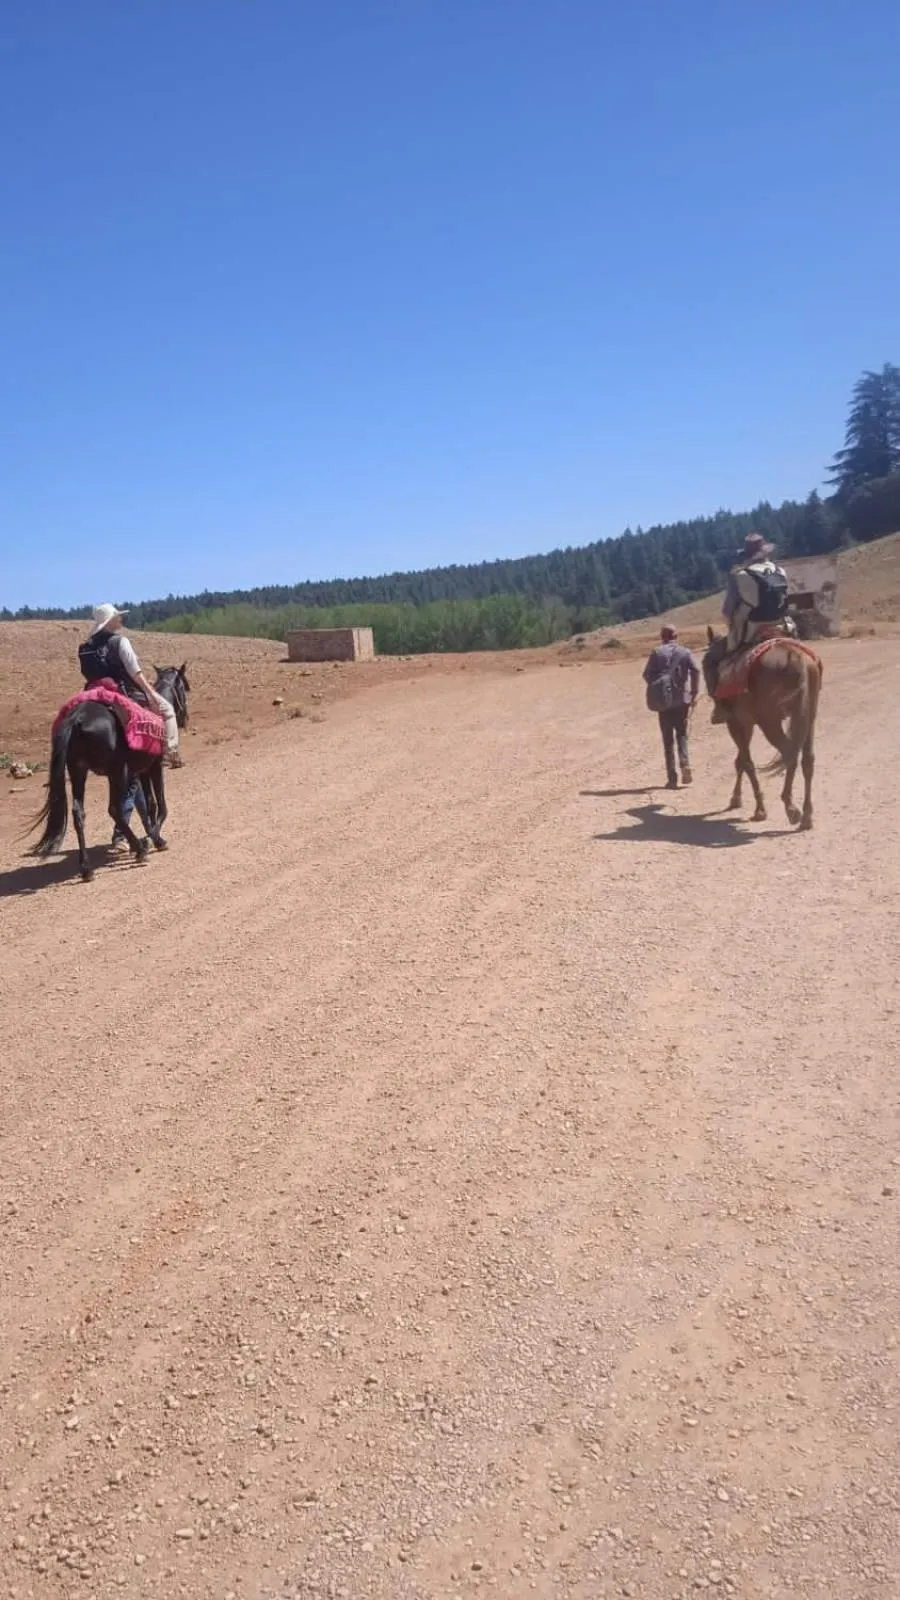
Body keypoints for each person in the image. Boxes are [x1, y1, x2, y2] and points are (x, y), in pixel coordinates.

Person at [79, 603, 183, 767]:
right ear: (109, 621)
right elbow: (135, 672)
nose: (120, 619)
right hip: (122, 691)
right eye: (117, 617)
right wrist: (150, 693)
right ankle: (169, 752)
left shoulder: (85, 647)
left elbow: (87, 673)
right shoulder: (120, 641)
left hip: (93, 692)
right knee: (168, 710)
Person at [643, 625, 700, 789]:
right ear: (676, 635)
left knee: (667, 740)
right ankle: (684, 763)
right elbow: (696, 670)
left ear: (662, 636)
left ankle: (672, 778)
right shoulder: (685, 652)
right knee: (681, 734)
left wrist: (658, 688)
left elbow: (647, 674)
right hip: (682, 699)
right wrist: (694, 692)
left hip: (663, 701)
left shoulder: (656, 652)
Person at [722, 533, 790, 653]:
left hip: (751, 626)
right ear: (766, 553)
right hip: (779, 622)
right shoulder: (780, 571)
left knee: (729, 656)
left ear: (746, 555)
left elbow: (727, 610)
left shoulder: (739, 575)